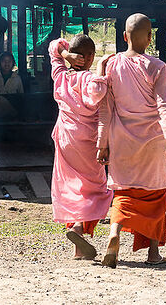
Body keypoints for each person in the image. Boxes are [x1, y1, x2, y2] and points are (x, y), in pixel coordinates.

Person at [97, 13, 166, 268]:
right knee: (154, 195)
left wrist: (102, 143)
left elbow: (105, 107)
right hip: (153, 140)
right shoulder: (157, 66)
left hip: (121, 140)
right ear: (150, 37)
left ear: (124, 37)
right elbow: (163, 104)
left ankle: (114, 233)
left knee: (123, 192)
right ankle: (153, 253)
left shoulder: (111, 65)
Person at [49, 35, 113, 260]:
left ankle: (79, 250)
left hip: (65, 137)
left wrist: (64, 55)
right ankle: (77, 227)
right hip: (87, 140)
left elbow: (53, 47)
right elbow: (96, 93)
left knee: (71, 186)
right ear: (90, 57)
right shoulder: (87, 78)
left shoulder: (60, 74)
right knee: (94, 187)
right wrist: (100, 69)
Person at [0, 51, 24, 120]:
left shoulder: (17, 78)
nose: (7, 64)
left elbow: (21, 98)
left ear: (13, 63)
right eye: (4, 61)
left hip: (13, 116)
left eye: (9, 61)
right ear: (0, 63)